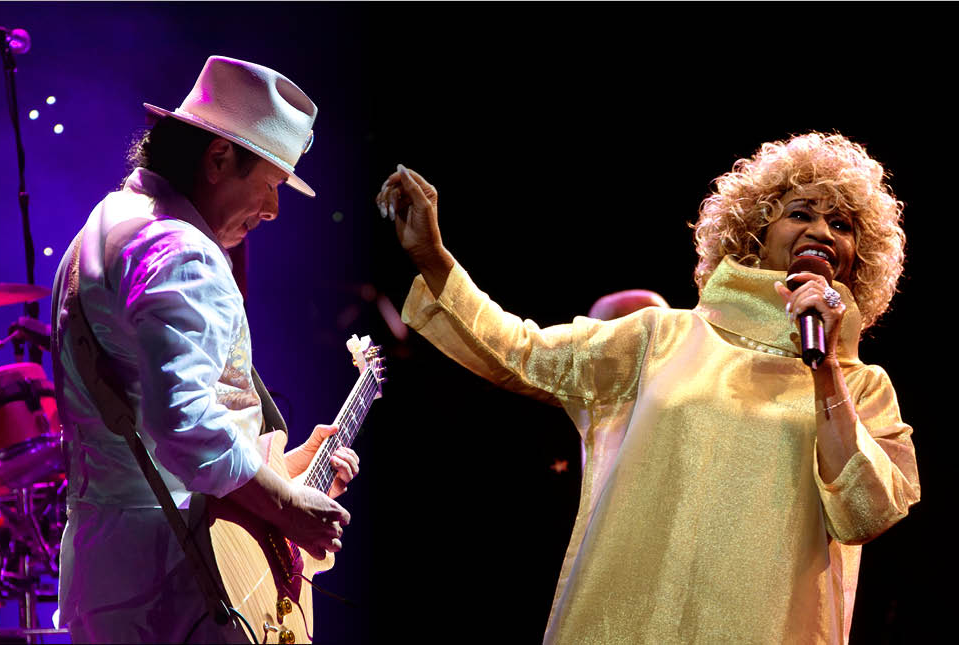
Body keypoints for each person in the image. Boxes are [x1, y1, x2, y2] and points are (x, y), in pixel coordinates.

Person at [377, 132, 920, 643]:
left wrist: (825, 368)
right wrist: (433, 258)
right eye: (800, 214)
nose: (823, 232)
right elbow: (522, 353)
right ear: (755, 233)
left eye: (843, 225)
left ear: (860, 255)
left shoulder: (864, 387)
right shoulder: (666, 336)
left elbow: (865, 513)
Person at [51, 56, 359, 643]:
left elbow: (155, 426)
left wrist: (286, 475)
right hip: (178, 578)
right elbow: (185, 424)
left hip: (114, 566)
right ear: (219, 159)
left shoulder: (107, 223)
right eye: (269, 184)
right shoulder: (182, 251)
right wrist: (290, 509)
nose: (272, 210)